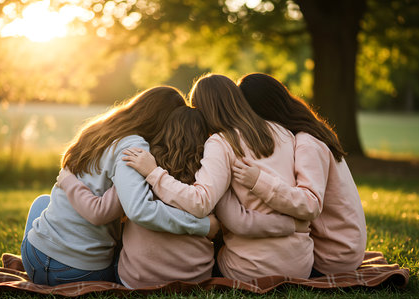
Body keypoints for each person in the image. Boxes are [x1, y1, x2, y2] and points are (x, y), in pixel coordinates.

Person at [57, 106, 305, 287]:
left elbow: (126, 211)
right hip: (195, 278)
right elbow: (233, 221)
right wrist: (292, 224)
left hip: (136, 279)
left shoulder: (143, 165)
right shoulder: (210, 174)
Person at [123, 74, 316, 282]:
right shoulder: (284, 133)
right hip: (301, 267)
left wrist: (154, 173)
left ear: (204, 111)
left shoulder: (221, 142)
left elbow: (200, 202)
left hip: (249, 270)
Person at [20, 86, 219, 286]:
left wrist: (67, 181)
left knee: (42, 202)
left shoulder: (99, 131)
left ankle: (43, 249)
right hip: (79, 272)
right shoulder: (135, 149)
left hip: (34, 260)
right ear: (163, 121)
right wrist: (202, 226)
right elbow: (137, 210)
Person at [236, 72, 367, 276]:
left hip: (334, 256)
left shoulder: (308, 143)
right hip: (345, 246)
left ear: (259, 111)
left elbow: (310, 203)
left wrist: (257, 181)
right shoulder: (309, 132)